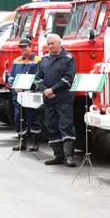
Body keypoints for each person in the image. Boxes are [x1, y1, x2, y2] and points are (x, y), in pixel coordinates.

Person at [35, 34, 77, 167]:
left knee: (66, 126)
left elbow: (68, 78)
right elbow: (37, 77)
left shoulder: (68, 58)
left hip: (63, 99)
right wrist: (45, 90)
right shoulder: (44, 59)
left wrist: (53, 90)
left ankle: (69, 157)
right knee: (52, 127)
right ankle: (58, 155)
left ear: (59, 43)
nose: (50, 46)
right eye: (48, 44)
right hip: (49, 100)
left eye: (52, 43)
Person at [9, 37, 42, 151]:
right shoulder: (16, 61)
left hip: (30, 94)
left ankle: (35, 142)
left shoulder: (37, 60)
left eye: (25, 47)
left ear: (30, 47)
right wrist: (14, 85)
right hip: (18, 94)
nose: (23, 49)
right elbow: (11, 76)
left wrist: (30, 86)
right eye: (21, 47)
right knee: (19, 117)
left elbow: (38, 77)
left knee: (33, 116)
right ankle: (22, 142)